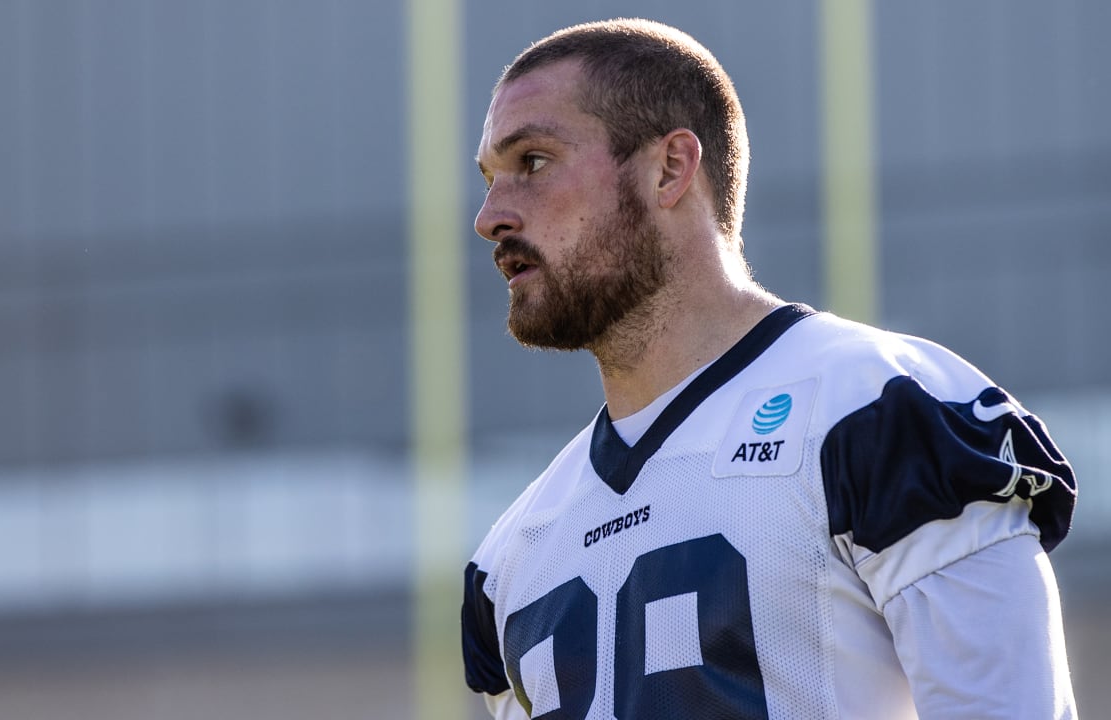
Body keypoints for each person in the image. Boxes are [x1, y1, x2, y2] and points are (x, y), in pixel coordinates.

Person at [461, 18, 1078, 720]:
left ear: (670, 168)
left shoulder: (877, 413)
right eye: (489, 178)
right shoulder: (508, 560)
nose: (489, 216)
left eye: (533, 162)